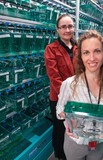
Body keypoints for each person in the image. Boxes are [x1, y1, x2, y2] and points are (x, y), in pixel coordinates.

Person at [56, 30, 103, 160]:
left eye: (97, 51)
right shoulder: (69, 84)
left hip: (99, 144)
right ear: (81, 57)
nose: (92, 58)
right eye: (86, 52)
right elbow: (59, 111)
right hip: (75, 143)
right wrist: (69, 118)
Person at [44, 14, 77, 160]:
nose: (67, 29)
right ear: (57, 29)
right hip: (58, 98)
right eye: (63, 27)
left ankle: (72, 153)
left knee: (74, 127)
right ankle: (60, 155)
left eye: (70, 26)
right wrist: (68, 95)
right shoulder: (51, 49)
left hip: (78, 96)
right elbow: (54, 77)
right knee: (59, 128)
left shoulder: (78, 47)